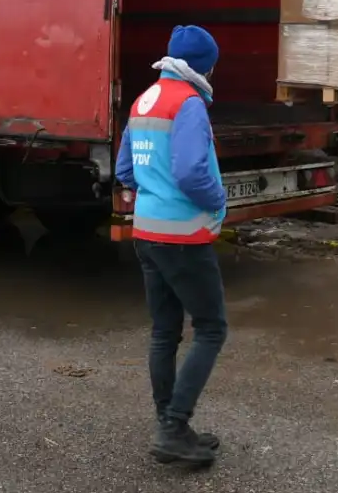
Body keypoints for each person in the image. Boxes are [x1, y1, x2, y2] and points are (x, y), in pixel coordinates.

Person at [115, 25, 228, 468]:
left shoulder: (145, 99)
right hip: (183, 236)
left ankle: (170, 424)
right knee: (211, 328)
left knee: (165, 332)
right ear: (206, 65)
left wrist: (151, 189)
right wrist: (218, 199)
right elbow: (190, 173)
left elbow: (126, 168)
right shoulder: (190, 104)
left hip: (146, 232)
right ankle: (174, 425)